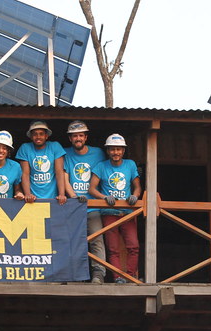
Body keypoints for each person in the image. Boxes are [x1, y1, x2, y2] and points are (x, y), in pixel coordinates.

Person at [89, 134, 142, 283]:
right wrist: (104, 197)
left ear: (123, 151)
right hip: (109, 213)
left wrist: (135, 196)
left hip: (127, 212)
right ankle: (118, 277)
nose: (116, 153)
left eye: (118, 149)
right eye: (112, 150)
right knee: (113, 248)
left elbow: (137, 186)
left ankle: (130, 276)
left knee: (133, 246)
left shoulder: (130, 165)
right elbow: (92, 188)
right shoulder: (101, 166)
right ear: (108, 151)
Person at [62, 121, 107, 284]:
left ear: (86, 137)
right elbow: (65, 177)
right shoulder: (65, 154)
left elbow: (105, 175)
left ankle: (99, 273)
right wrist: (73, 197)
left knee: (97, 240)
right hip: (74, 206)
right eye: (75, 136)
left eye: (81, 135)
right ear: (70, 138)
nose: (78, 138)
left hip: (94, 206)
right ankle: (76, 275)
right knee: (73, 240)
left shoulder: (99, 153)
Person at [16, 121, 67, 204]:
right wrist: (28, 194)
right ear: (31, 136)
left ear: (46, 136)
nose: (38, 137)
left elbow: (59, 172)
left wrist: (61, 194)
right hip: (33, 198)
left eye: (41, 134)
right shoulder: (25, 148)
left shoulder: (55, 146)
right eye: (35, 134)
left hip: (53, 198)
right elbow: (25, 174)